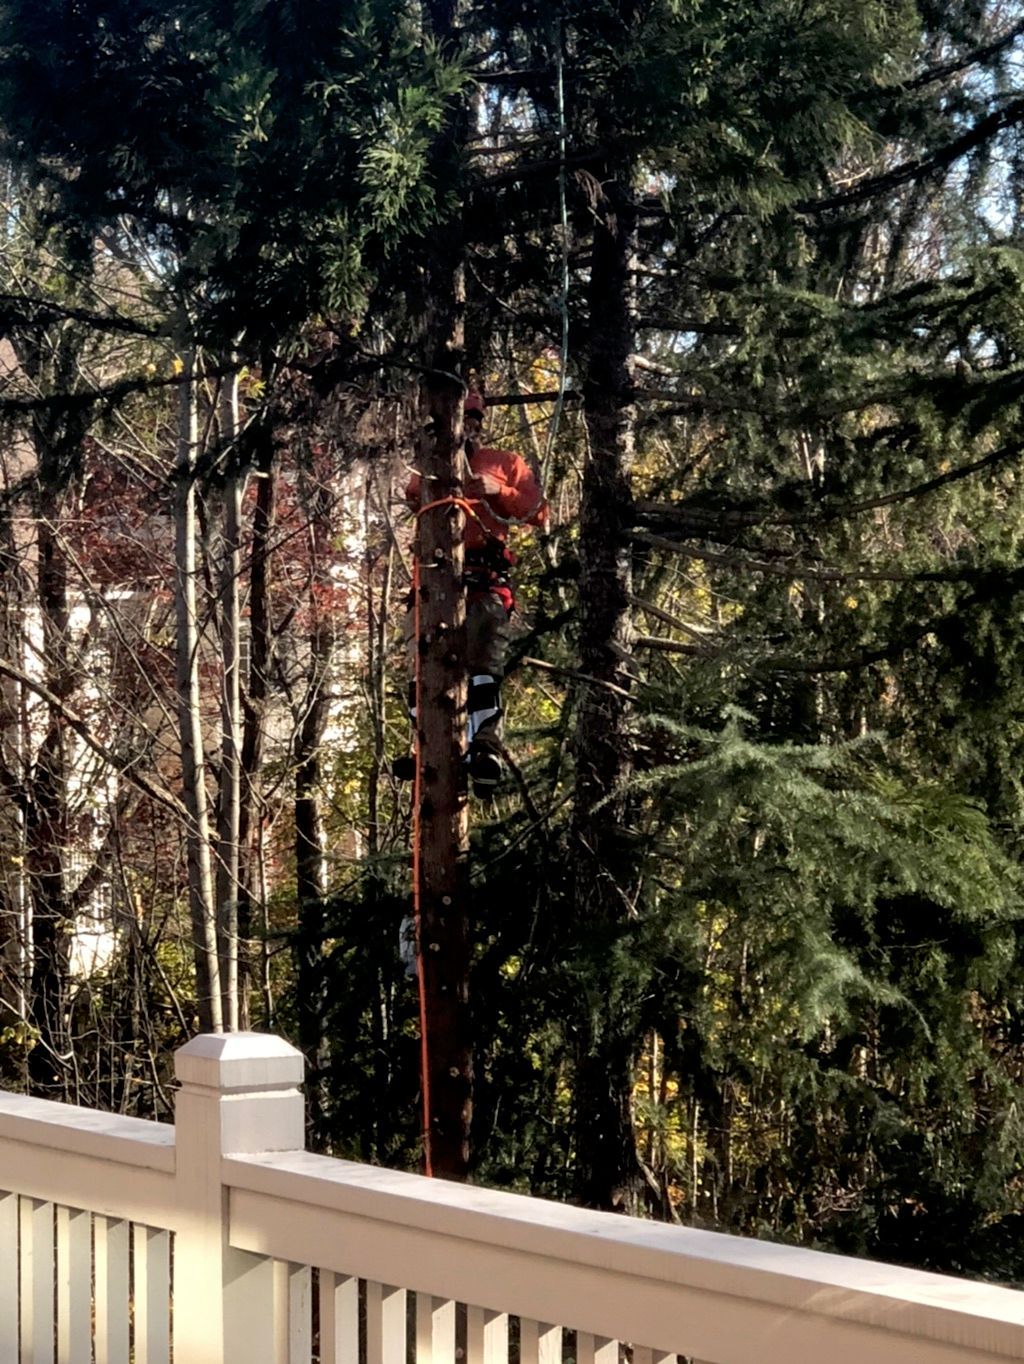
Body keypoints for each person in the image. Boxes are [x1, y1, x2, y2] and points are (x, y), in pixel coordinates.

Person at [399, 391, 548, 796]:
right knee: (422, 659)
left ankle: (484, 744)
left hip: (484, 575)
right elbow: (412, 497)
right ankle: (425, 743)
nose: (467, 428)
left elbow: (539, 511)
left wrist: (499, 492)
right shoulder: (429, 465)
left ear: (481, 424)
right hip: (433, 580)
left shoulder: (504, 464)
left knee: (483, 659)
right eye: (460, 419)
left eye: (472, 420)